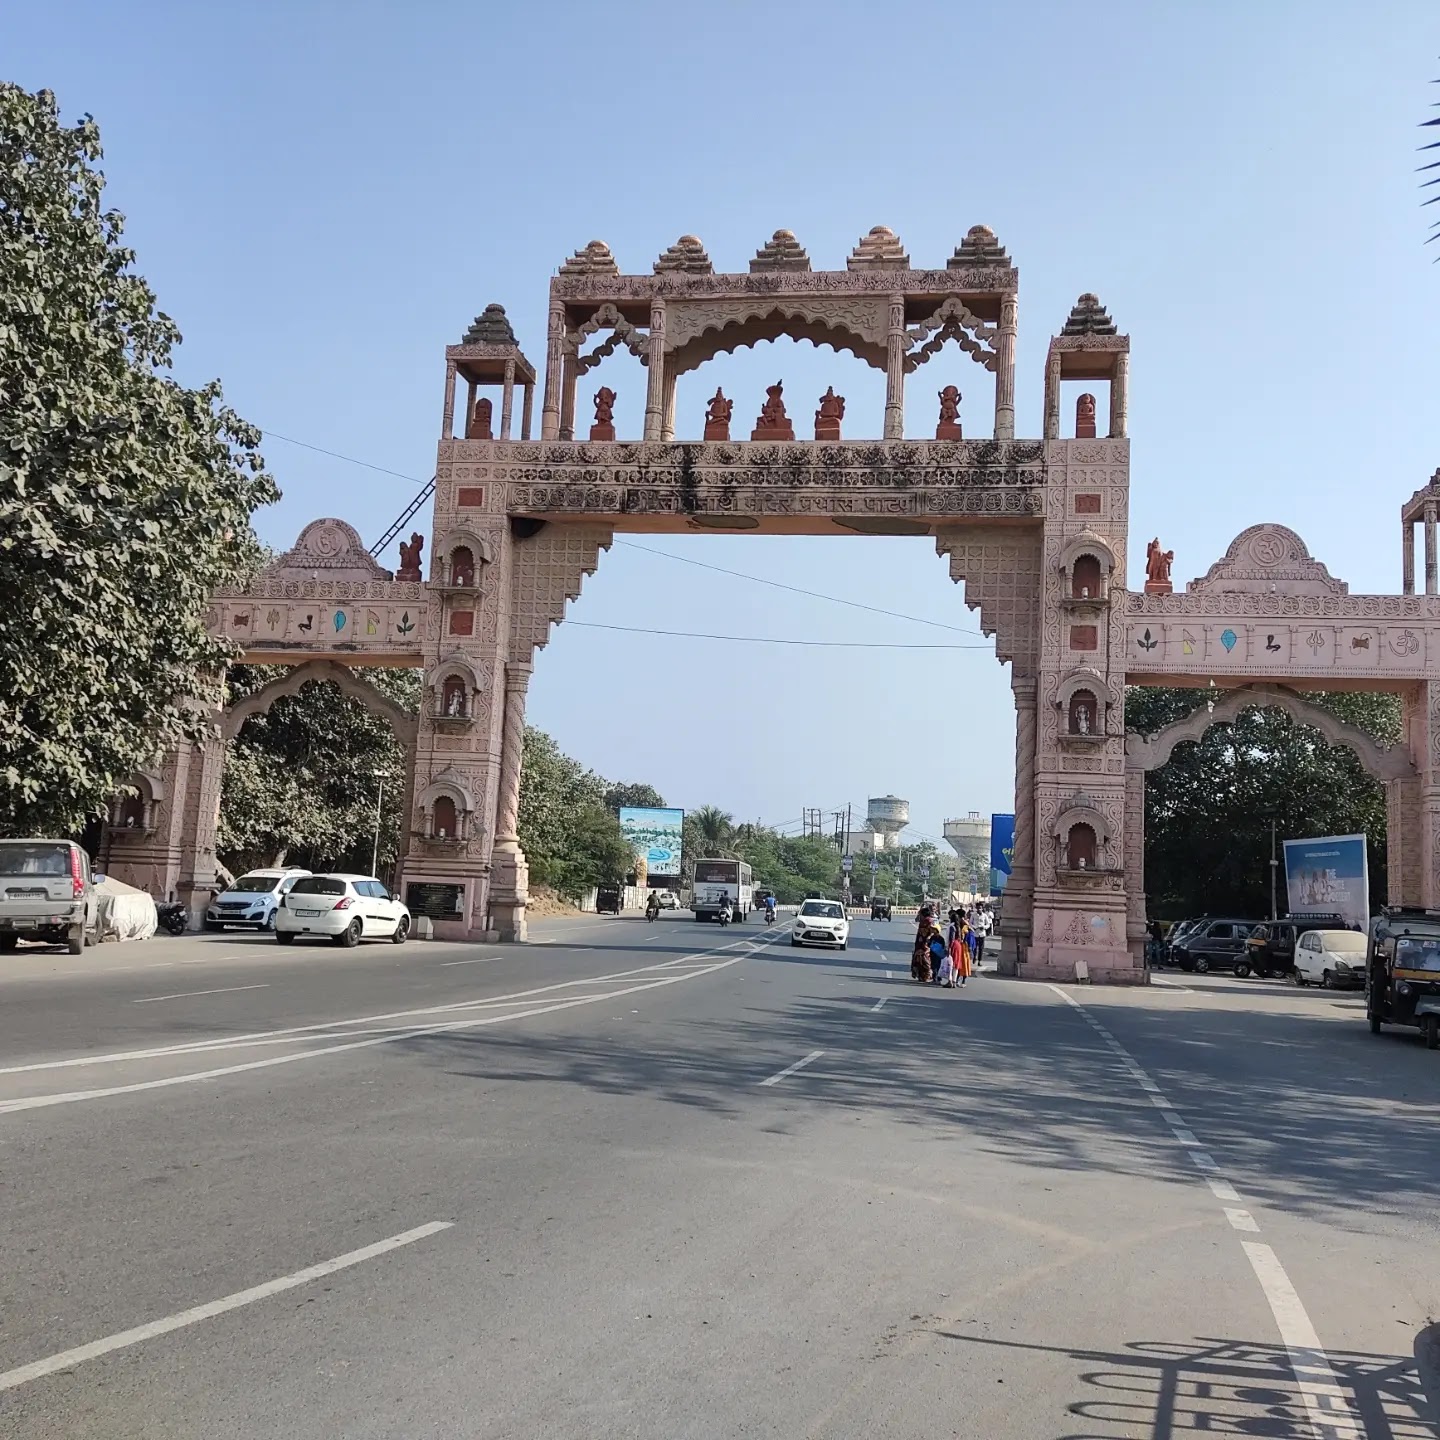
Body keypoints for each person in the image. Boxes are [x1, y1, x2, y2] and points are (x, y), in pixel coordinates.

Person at [912, 906, 940, 982]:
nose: (920, 916)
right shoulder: (923, 921)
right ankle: (921, 976)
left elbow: (935, 930)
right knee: (918, 959)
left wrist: (929, 937)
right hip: (920, 943)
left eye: (921, 914)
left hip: (926, 944)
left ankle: (927, 975)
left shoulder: (929, 921)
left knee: (925, 959)